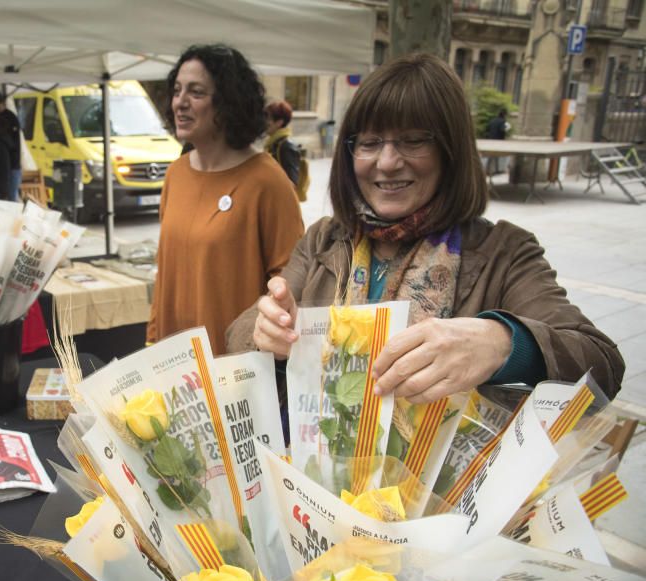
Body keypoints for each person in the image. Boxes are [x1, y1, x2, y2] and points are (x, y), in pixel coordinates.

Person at [227, 53, 624, 402]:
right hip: (319, 480)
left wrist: (505, 343)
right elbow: (239, 334)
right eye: (369, 142)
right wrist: (266, 332)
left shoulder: (505, 252)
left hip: (438, 486)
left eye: (413, 141)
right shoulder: (326, 239)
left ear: (451, 151)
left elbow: (602, 367)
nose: (386, 162)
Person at [146, 44, 305, 355]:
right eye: (177, 90)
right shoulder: (176, 174)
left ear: (228, 103)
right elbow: (165, 273)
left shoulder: (267, 182)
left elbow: (291, 287)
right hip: (174, 370)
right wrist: (152, 338)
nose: (180, 102)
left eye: (196, 92)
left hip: (235, 376)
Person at [264, 100, 302, 187]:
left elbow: (292, 183)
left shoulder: (286, 146)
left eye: (268, 118)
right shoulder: (272, 142)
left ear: (279, 122)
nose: (264, 122)